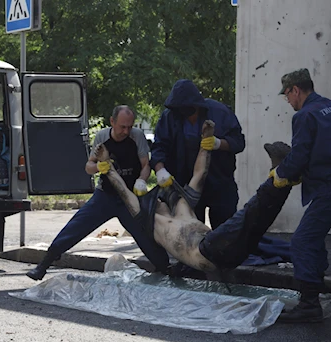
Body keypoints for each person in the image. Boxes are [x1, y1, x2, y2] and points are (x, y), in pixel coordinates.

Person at [93, 118, 297, 283]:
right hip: (207, 252)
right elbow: (124, 193)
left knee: (258, 222)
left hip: (221, 248)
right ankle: (280, 174)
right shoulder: (150, 221)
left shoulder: (183, 208)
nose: (160, 199)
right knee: (247, 215)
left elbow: (200, 173)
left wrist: (206, 143)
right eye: (157, 199)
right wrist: (106, 166)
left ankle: (284, 177)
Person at [26, 105, 169, 281]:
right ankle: (44, 265)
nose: (126, 131)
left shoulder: (137, 136)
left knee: (144, 234)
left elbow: (146, 164)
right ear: (112, 122)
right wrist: (98, 167)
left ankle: (165, 269)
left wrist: (141, 181)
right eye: (122, 127)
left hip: (129, 198)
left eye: (129, 127)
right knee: (76, 227)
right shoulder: (102, 137)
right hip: (105, 196)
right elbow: (88, 167)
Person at [274, 69, 331, 323]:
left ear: (295, 90)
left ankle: (309, 304)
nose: (288, 101)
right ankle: (316, 286)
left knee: (301, 240)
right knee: (313, 235)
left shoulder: (304, 116)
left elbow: (300, 155)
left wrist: (281, 173)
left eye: (287, 96)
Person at [151, 79, 245, 229]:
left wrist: (218, 143)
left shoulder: (220, 113)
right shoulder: (170, 117)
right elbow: (159, 147)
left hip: (220, 182)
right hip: (186, 185)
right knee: (191, 232)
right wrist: (160, 170)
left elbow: (239, 142)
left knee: (226, 232)